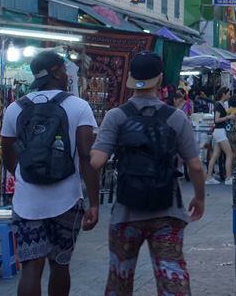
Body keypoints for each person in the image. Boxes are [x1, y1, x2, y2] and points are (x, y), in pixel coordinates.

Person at [90, 51, 205, 296]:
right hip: (167, 213)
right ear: (160, 79)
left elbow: (97, 161)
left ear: (131, 78)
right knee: (172, 279)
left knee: (119, 280)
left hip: (126, 212)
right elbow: (195, 166)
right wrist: (200, 198)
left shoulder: (115, 116)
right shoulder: (176, 117)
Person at [0, 51, 100, 296]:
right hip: (66, 200)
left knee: (31, 269)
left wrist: (26, 176)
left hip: (26, 203)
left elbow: (8, 154)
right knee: (60, 264)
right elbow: (87, 157)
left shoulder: (15, 108)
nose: (67, 74)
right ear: (56, 73)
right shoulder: (78, 106)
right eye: (65, 70)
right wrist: (94, 203)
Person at [206, 87, 236, 185]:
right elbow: (217, 120)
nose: (229, 96)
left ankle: (209, 177)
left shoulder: (220, 104)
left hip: (218, 132)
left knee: (215, 155)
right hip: (220, 131)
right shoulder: (219, 105)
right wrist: (229, 117)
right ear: (223, 94)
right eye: (228, 94)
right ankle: (228, 178)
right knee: (229, 154)